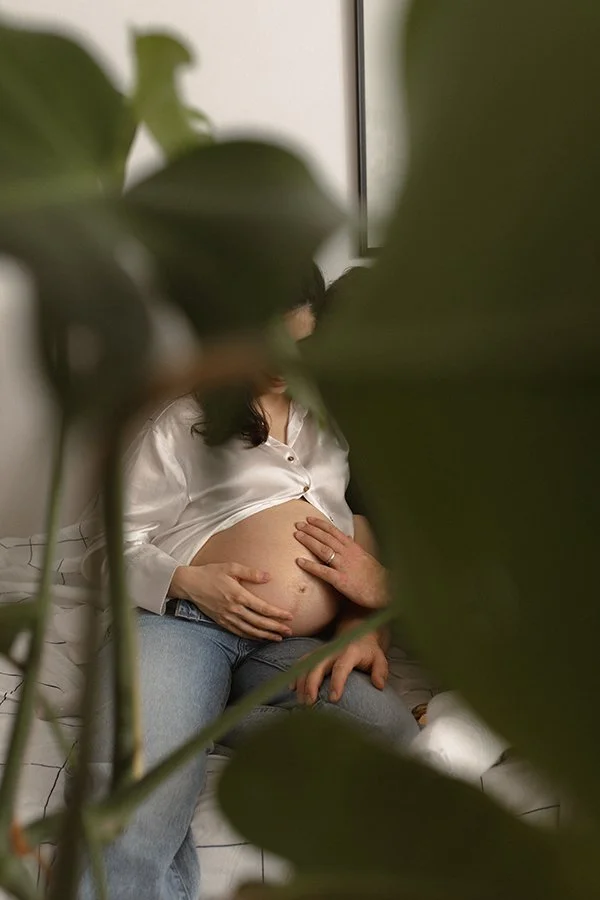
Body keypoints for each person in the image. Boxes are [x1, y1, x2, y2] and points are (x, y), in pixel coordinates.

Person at [78, 265, 418, 900]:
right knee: (144, 790)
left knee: (390, 733)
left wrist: (358, 624)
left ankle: (208, 710)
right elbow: (102, 549)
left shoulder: (334, 422)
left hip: (288, 651)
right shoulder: (183, 423)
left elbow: (358, 534)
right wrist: (189, 582)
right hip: (185, 626)